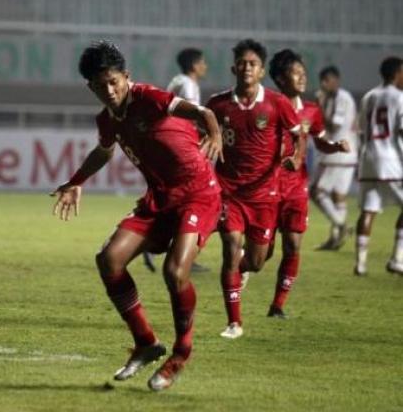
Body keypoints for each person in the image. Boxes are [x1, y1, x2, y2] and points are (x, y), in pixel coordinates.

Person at [51, 41, 223, 391]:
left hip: (198, 193)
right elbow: (103, 152)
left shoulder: (151, 98)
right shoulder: (107, 119)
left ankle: (181, 353)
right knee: (109, 259)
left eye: (114, 82)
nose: (109, 91)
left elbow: (204, 113)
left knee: (175, 272)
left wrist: (216, 134)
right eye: (100, 86)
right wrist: (75, 181)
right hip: (159, 197)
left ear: (126, 77)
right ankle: (146, 342)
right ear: (91, 87)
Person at [205, 39, 304, 339]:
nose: (247, 68)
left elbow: (298, 136)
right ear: (233, 67)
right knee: (231, 250)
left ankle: (244, 269)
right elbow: (204, 136)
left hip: (264, 195)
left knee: (258, 262)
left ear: (261, 71)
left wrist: (296, 159)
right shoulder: (217, 104)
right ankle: (234, 322)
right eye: (242, 63)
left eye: (253, 64)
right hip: (229, 192)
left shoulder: (278, 103)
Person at [266, 50, 350, 318]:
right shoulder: (267, 105)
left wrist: (335, 146)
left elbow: (319, 139)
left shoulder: (311, 110)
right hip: (267, 187)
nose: (302, 77)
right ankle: (240, 275)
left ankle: (278, 305)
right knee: (262, 253)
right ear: (280, 78)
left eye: (303, 72)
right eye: (295, 72)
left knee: (293, 245)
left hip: (296, 188)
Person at [143, 47, 210, 274]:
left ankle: (178, 251)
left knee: (176, 198)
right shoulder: (189, 86)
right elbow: (188, 117)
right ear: (194, 65)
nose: (205, 66)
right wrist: (203, 138)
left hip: (168, 145)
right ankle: (156, 244)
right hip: (181, 148)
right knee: (197, 197)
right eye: (202, 62)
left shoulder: (176, 81)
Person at [354, 56, 403, 276]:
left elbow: (362, 130)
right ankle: (397, 259)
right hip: (391, 159)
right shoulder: (400, 97)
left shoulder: (368, 96)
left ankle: (360, 264)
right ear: (396, 73)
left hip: (368, 158)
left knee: (368, 210)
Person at [311, 66, 358, 250]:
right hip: (346, 155)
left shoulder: (341, 98)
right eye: (322, 80)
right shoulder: (334, 97)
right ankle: (335, 239)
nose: (323, 84)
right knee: (338, 196)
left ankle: (341, 225)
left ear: (336, 80)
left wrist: (320, 106)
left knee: (317, 191)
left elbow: (335, 126)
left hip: (338, 153)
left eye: (326, 80)